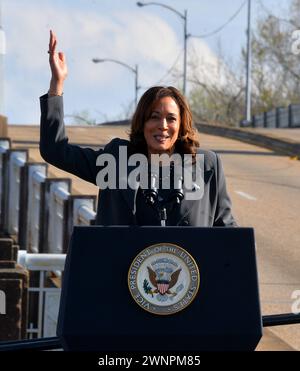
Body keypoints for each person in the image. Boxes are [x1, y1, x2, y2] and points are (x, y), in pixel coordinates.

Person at [40, 30, 237, 227]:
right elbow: (55, 151)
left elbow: (227, 229)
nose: (163, 126)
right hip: (125, 258)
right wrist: (57, 85)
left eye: (171, 119)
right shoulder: (116, 161)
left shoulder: (207, 166)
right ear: (142, 123)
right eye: (154, 117)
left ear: (181, 125)